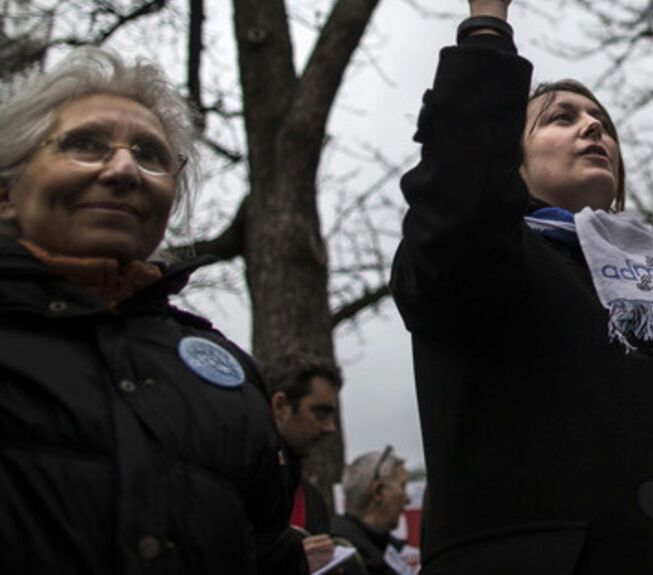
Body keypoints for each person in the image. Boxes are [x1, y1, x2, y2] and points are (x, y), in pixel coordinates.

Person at [390, 0, 653, 574]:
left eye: (602, 123)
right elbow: (460, 197)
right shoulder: (482, 252)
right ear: (508, 162)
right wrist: (488, 16)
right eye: (561, 119)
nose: (593, 129)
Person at [0, 47, 305, 573]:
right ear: (7, 191)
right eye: (85, 145)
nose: (125, 170)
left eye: (150, 155)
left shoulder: (231, 379)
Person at [265, 352, 345, 570]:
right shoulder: (237, 485)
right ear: (281, 406)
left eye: (331, 415)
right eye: (320, 413)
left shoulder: (312, 499)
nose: (330, 427)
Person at [331, 447, 416, 574]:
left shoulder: (384, 548)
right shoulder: (342, 560)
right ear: (378, 492)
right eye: (402, 487)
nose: (407, 500)